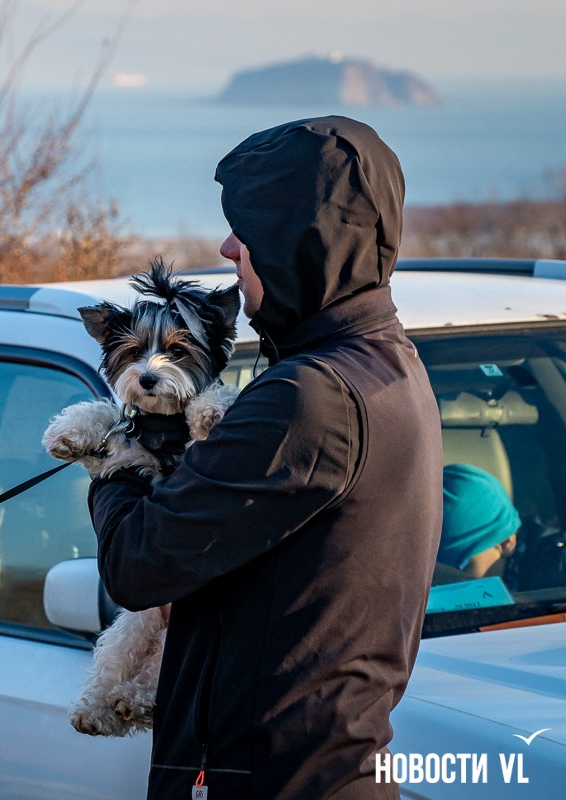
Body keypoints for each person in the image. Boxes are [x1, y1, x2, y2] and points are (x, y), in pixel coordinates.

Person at [88, 116, 443, 798]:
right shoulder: (386, 363)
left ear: (296, 241)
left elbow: (136, 563)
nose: (226, 247)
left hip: (272, 779)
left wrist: (116, 456)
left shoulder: (309, 398)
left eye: (245, 229)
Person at [438, 463, 520, 580]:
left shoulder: (547, 588)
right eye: (436, 572)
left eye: (459, 570)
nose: (450, 584)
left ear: (505, 543)